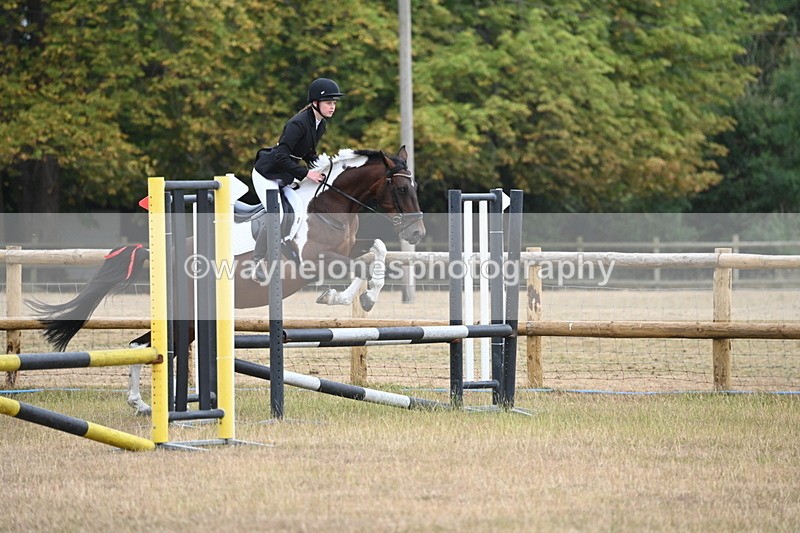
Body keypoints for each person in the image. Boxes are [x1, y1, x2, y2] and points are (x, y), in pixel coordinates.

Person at [250, 77, 344, 280]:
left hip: (285, 173)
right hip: (267, 173)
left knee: (300, 208)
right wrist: (306, 174)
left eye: (334, 103)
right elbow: (280, 157)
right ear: (315, 103)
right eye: (329, 102)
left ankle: (288, 244)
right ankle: (256, 262)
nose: (332, 106)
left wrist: (325, 168)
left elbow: (308, 154)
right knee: (278, 213)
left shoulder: (320, 124)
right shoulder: (297, 123)